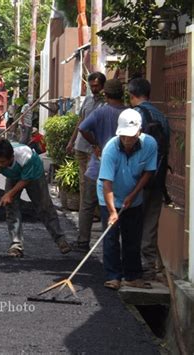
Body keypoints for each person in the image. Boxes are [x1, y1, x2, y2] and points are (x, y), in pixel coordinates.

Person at [0, 138, 71, 257]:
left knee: (44, 206)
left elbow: (26, 179)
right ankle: (16, 244)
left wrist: (9, 194)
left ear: (11, 157)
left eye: (2, 162)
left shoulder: (25, 155)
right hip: (14, 177)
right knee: (11, 207)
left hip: (34, 176)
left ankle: (60, 239)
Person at [97, 109, 157, 290]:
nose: (127, 140)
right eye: (124, 136)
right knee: (111, 237)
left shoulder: (150, 144)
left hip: (133, 197)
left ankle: (132, 276)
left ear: (139, 131)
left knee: (132, 237)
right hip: (109, 197)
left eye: (131, 136)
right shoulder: (110, 149)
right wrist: (113, 212)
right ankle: (113, 276)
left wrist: (133, 194)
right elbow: (107, 183)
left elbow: (149, 172)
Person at [72, 79, 127, 252]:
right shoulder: (128, 114)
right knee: (119, 207)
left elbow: (82, 128)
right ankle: (117, 245)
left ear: (106, 93)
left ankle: (83, 241)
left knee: (87, 205)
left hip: (97, 167)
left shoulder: (101, 112)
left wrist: (96, 144)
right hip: (122, 171)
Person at [128, 78, 171, 280]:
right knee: (150, 223)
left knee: (132, 221)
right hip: (157, 178)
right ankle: (150, 266)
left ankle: (133, 266)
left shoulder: (134, 115)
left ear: (132, 94)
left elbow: (127, 146)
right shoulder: (162, 117)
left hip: (136, 178)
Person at [66, 72, 106, 220]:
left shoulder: (106, 103)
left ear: (102, 86)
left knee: (95, 180)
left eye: (96, 86)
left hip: (96, 148)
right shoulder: (88, 100)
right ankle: (85, 212)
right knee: (84, 181)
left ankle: (96, 212)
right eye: (91, 86)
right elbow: (80, 122)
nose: (94, 89)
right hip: (81, 146)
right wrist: (71, 141)